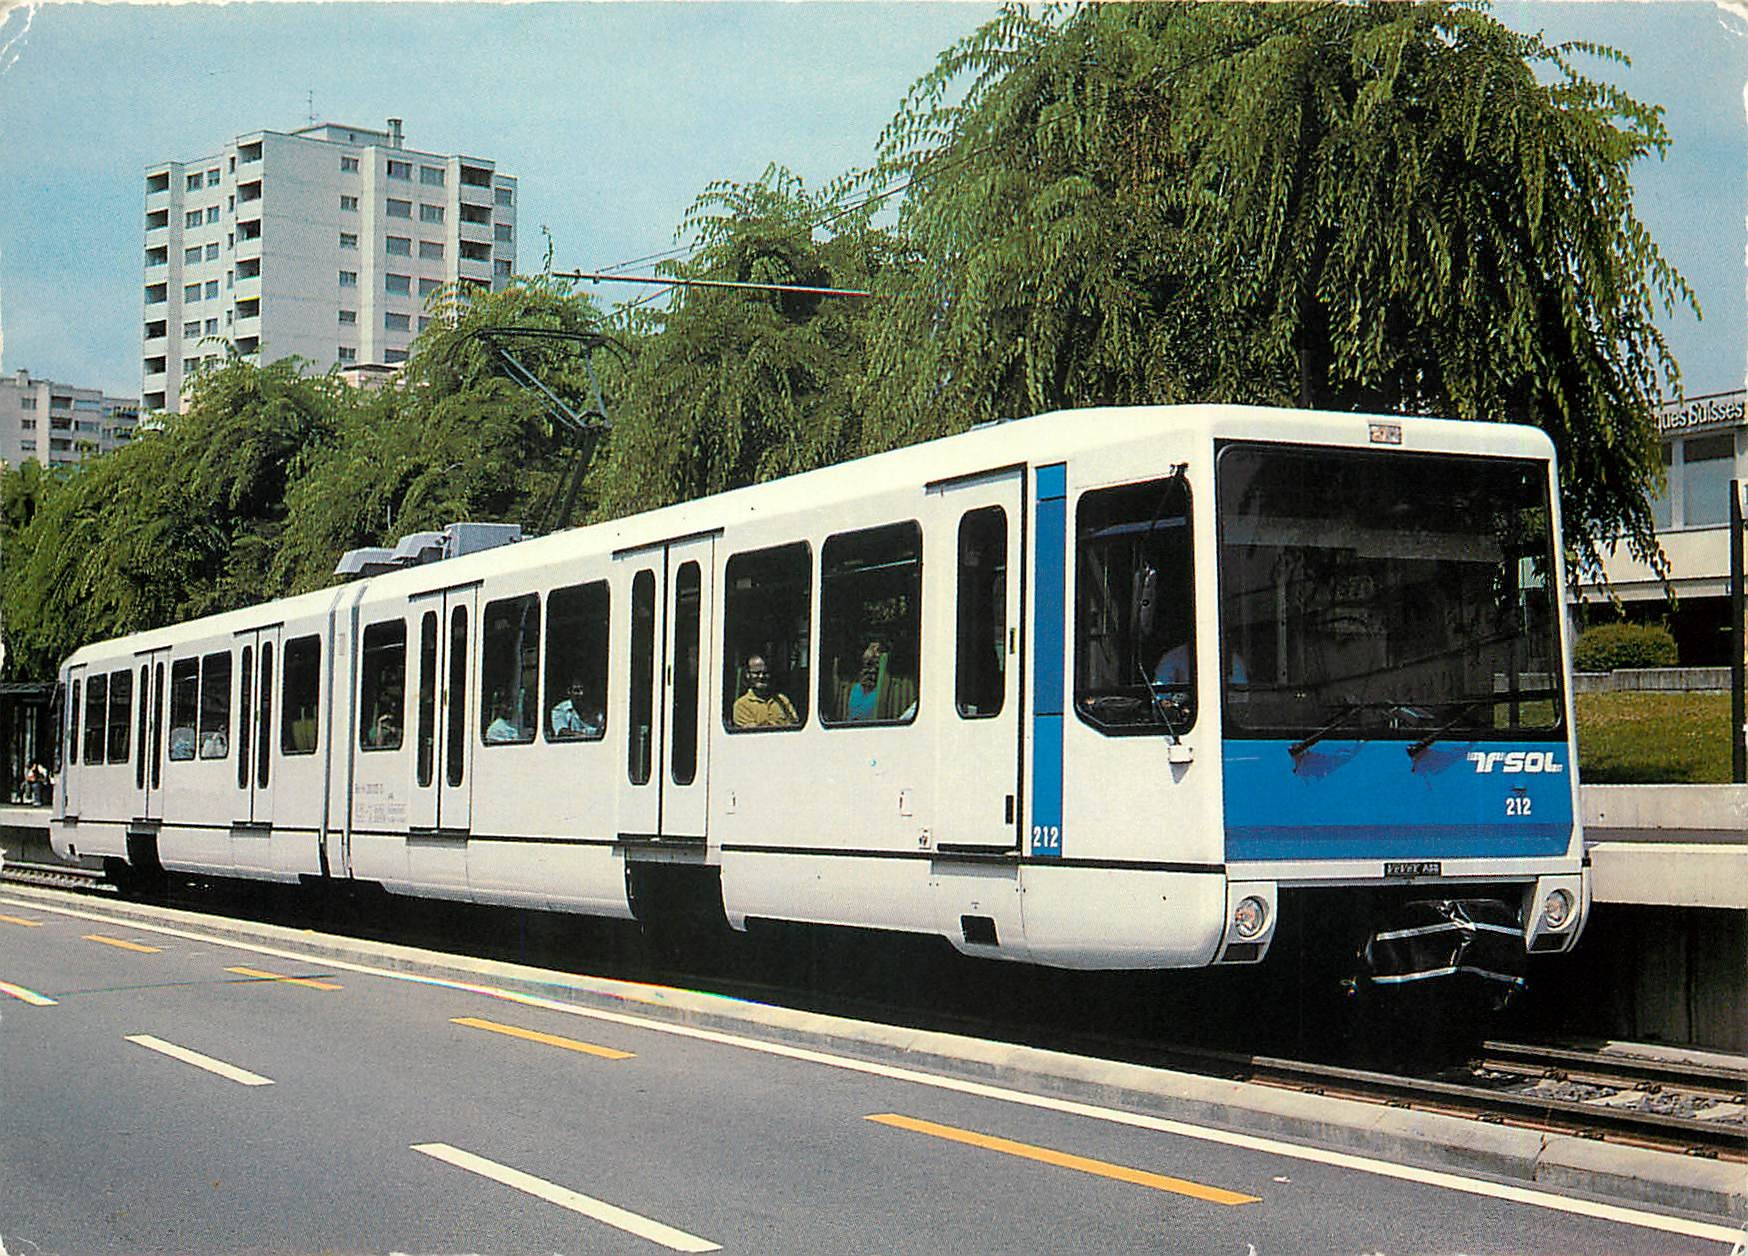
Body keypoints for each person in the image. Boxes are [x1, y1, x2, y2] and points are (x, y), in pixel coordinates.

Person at [732, 655, 798, 728]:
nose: (761, 676)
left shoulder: (783, 700)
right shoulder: (741, 705)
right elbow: (753, 732)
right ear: (748, 675)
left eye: (765, 673)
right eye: (756, 673)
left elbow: (794, 724)